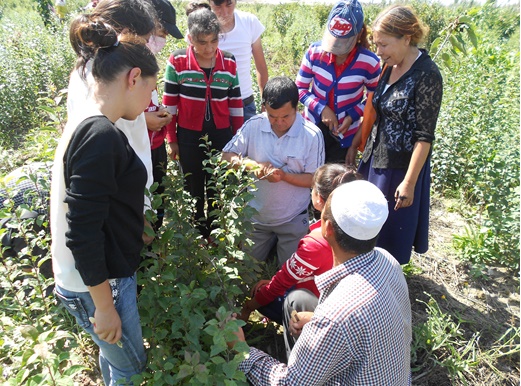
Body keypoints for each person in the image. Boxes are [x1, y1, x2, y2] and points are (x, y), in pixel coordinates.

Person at [51, 22, 159, 385]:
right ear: (134, 78)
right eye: (151, 90)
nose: (149, 103)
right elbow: (81, 230)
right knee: (131, 366)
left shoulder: (89, 121)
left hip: (97, 278)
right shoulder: (100, 136)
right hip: (98, 284)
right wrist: (104, 306)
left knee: (114, 358)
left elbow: (99, 204)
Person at [229, 180, 412, 385]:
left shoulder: (335, 316)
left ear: (328, 228)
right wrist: (317, 318)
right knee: (298, 300)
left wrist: (241, 350)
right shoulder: (388, 261)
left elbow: (291, 384)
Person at [60, 0, 159, 247]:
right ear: (123, 35)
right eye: (144, 41)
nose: (147, 48)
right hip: (120, 214)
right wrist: (142, 220)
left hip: (123, 207)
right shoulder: (111, 86)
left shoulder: (91, 70)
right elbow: (112, 165)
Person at [239, 164, 362, 360]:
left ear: (319, 200)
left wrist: (248, 307)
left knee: (267, 294)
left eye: (312, 189)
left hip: (319, 308)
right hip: (343, 309)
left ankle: (298, 355)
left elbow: (279, 285)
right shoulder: (360, 231)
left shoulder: (316, 243)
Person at [356, 5, 443, 265]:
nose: (378, 52)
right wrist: (358, 143)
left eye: (383, 45)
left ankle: (385, 283)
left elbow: (424, 136)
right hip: (376, 158)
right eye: (375, 44)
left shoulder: (427, 75)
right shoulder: (388, 67)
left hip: (400, 167)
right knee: (365, 226)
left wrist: (409, 182)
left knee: (388, 235)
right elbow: (377, 111)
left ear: (406, 38)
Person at [222, 76, 325, 266]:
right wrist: (254, 167)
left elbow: (313, 180)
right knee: (246, 270)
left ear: (297, 109)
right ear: (263, 108)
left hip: (293, 217)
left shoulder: (311, 135)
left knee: (290, 274)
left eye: (285, 117)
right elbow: (226, 155)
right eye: (272, 116)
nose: (279, 122)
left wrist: (284, 176)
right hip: (256, 217)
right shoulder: (253, 125)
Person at [163, 6, 243, 238]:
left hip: (222, 135)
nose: (209, 48)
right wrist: (172, 139)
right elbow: (170, 105)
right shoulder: (177, 61)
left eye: (213, 41)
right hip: (188, 135)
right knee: (193, 187)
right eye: (202, 42)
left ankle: (217, 235)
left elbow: (235, 103)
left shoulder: (229, 62)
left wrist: (237, 141)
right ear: (190, 38)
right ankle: (198, 235)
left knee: (217, 186)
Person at [296, 0, 380, 165]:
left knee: (334, 179)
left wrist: (352, 116)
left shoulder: (369, 62)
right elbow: (300, 88)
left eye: (344, 44)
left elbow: (374, 99)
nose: (337, 51)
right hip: (311, 130)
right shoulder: (314, 52)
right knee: (309, 176)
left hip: (344, 135)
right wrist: (321, 108)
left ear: (359, 35)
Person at [144, 0, 183, 230]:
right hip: (138, 147)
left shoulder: (148, 58)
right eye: (162, 31)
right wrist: (143, 120)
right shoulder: (121, 59)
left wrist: (157, 113)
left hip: (155, 143)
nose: (163, 39)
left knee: (157, 200)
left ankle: (154, 248)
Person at [209, 0, 269, 121]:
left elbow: (261, 66)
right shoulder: (201, 26)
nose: (225, 12)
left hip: (245, 104)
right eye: (218, 6)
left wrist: (265, 101)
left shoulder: (249, 22)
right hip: (213, 106)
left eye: (229, 4)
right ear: (210, 3)